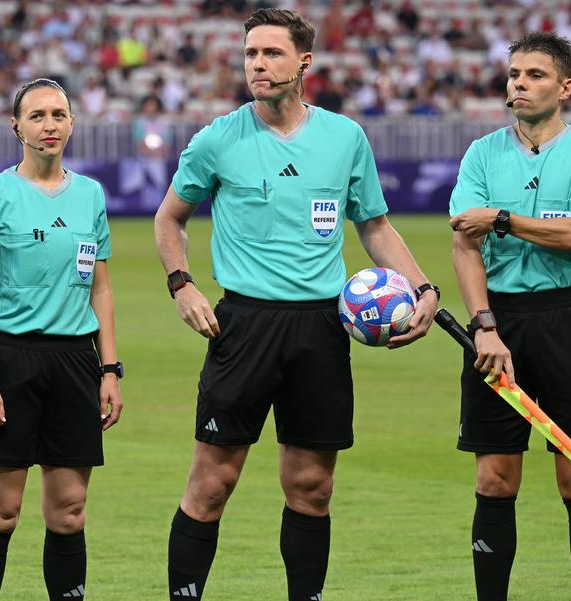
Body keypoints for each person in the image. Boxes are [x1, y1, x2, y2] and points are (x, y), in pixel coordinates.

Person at [154, 9, 439, 601]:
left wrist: (423, 287)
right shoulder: (218, 138)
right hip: (243, 325)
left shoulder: (344, 138)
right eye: (251, 53)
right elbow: (169, 218)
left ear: (303, 62)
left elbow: (377, 227)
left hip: (320, 328)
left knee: (311, 486)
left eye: (271, 54)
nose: (257, 64)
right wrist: (182, 283)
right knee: (212, 484)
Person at [448, 32, 571, 601]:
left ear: (565, 86)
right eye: (514, 74)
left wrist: (502, 218)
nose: (518, 84)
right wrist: (484, 324)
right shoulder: (482, 153)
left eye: (535, 75)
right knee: (495, 480)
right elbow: (462, 244)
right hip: (500, 323)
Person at [0, 78, 123, 601]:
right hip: (10, 360)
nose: (49, 125)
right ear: (16, 126)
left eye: (59, 115)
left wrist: (110, 370)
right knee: (0, 511)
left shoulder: (91, 194)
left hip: (75, 362)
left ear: (72, 122)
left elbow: (101, 289)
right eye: (38, 116)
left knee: (69, 512)